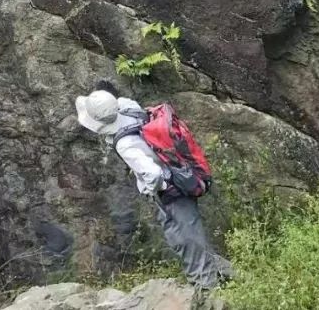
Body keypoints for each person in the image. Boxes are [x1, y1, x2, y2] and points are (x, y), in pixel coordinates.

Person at [74, 81, 233, 288]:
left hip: (171, 192)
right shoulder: (128, 107)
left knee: (184, 240)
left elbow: (153, 173)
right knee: (192, 233)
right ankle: (225, 273)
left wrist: (153, 190)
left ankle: (206, 289)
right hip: (183, 173)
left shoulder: (124, 144)